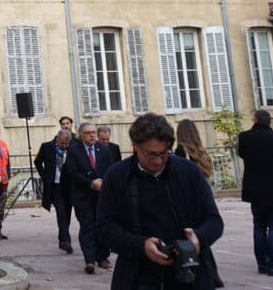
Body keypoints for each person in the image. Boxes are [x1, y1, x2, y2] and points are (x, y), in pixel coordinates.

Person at [96, 113, 224, 290]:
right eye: (151, 154)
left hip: (190, 274)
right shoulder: (117, 176)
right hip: (138, 276)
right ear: (135, 148)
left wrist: (198, 239)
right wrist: (141, 245)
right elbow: (105, 226)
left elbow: (214, 221)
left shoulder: (189, 172)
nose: (158, 161)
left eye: (164, 154)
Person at [235, 109, 273, 277]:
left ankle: (262, 263)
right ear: (269, 122)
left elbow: (242, 154)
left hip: (255, 190)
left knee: (259, 226)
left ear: (255, 120)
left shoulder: (245, 137)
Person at [64, 121, 116, 274]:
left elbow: (111, 168)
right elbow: (72, 172)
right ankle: (90, 260)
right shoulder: (74, 151)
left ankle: (103, 257)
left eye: (94, 132)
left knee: (102, 225)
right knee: (87, 226)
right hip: (83, 196)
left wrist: (104, 182)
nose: (92, 135)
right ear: (81, 135)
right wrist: (91, 183)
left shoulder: (103, 149)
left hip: (102, 196)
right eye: (88, 133)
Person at [34, 127, 74, 255]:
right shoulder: (47, 147)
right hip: (55, 186)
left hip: (70, 186)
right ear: (57, 138)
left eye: (67, 143)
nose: (64, 146)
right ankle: (65, 240)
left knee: (67, 212)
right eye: (62, 143)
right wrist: (45, 176)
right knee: (61, 211)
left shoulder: (74, 147)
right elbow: (37, 162)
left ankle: (63, 235)